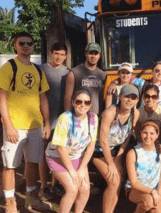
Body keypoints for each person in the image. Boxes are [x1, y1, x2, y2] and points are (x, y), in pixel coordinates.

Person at [0, 32, 51, 212]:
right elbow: (2, 98)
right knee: (10, 165)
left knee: (32, 162)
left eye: (29, 43)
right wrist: (8, 125)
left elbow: (42, 98)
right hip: (15, 126)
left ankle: (30, 197)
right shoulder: (8, 68)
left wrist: (47, 123)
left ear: (33, 46)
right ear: (15, 45)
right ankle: (10, 202)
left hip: (34, 126)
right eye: (21, 43)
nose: (25, 45)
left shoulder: (38, 70)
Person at [46, 88, 99, 213]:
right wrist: (72, 171)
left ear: (90, 104)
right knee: (72, 189)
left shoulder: (93, 118)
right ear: (73, 102)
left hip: (77, 156)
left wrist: (81, 169)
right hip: (57, 157)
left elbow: (91, 145)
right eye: (79, 101)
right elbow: (60, 148)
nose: (82, 105)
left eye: (86, 102)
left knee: (85, 188)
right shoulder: (64, 118)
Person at [93, 84, 140, 213]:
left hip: (116, 150)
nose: (129, 100)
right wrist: (111, 163)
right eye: (126, 96)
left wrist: (118, 159)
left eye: (133, 97)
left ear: (137, 100)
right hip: (99, 150)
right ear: (120, 96)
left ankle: (111, 209)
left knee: (118, 182)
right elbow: (102, 141)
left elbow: (127, 138)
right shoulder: (110, 113)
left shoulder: (135, 114)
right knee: (114, 181)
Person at [40, 42, 69, 199]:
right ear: (51, 53)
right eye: (56, 53)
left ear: (66, 57)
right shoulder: (41, 70)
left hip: (61, 119)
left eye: (62, 54)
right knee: (41, 155)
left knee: (57, 153)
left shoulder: (67, 72)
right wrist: (45, 121)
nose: (59, 57)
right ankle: (43, 187)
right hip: (44, 119)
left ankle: (54, 185)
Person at [125, 120, 161, 213]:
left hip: (156, 190)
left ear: (157, 135)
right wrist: (152, 192)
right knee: (149, 201)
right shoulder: (133, 153)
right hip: (135, 189)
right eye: (145, 133)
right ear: (140, 133)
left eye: (152, 133)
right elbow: (134, 183)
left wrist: (159, 193)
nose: (148, 136)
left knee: (156, 210)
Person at [64, 42, 107, 115]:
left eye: (95, 53)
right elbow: (68, 97)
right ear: (86, 54)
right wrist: (68, 116)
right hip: (78, 116)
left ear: (99, 56)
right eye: (90, 53)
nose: (93, 56)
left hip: (96, 118)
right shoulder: (74, 72)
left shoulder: (103, 75)